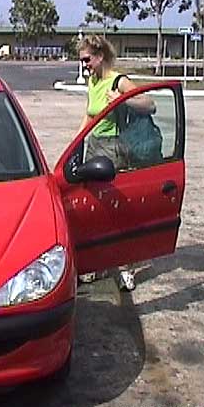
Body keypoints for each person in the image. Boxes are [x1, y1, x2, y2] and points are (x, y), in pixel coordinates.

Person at [76, 35, 154, 292]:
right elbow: (89, 115)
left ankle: (125, 267)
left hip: (114, 149)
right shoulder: (93, 81)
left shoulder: (118, 81)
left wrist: (122, 100)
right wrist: (75, 144)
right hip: (94, 147)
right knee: (95, 209)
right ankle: (99, 264)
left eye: (87, 59)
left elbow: (149, 104)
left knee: (117, 210)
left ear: (100, 56)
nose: (85, 64)